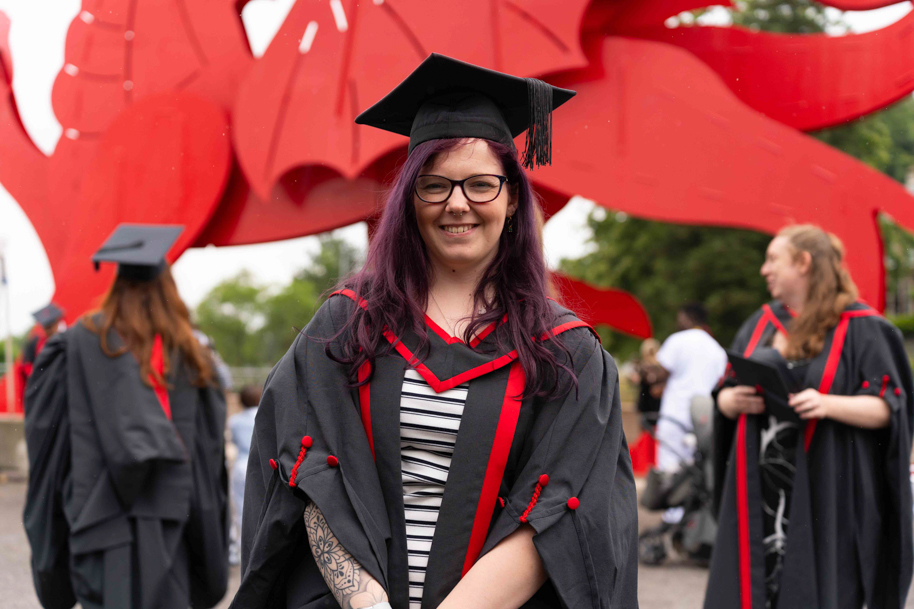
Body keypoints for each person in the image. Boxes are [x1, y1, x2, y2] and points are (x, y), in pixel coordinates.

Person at [232, 54, 638, 609]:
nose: (457, 204)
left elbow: (561, 511)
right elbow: (305, 476)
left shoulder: (563, 353)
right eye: (435, 185)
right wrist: (367, 603)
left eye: (480, 185)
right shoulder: (349, 325)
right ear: (409, 198)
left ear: (513, 197)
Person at [705, 225, 913, 609]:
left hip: (828, 492)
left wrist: (828, 404)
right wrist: (730, 401)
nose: (764, 270)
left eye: (773, 260)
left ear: (803, 263)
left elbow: (890, 408)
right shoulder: (760, 324)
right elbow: (723, 394)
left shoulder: (865, 329)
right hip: (761, 493)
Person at [23, 224, 230, 609]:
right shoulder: (194, 362)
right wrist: (210, 552)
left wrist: (53, 546)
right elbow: (207, 465)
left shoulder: (73, 349)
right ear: (169, 289)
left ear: (117, 283)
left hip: (99, 530)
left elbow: (49, 452)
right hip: (175, 531)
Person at [654, 303, 727, 473]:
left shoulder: (677, 340)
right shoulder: (717, 349)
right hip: (702, 424)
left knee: (668, 478)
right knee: (697, 480)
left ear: (688, 318)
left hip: (674, 420)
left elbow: (660, 374)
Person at [228, 384, 263, 565]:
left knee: (241, 509)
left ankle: (242, 548)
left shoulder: (234, 421)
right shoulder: (265, 414)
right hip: (262, 464)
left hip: (242, 465)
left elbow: (233, 441)